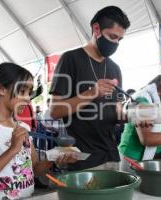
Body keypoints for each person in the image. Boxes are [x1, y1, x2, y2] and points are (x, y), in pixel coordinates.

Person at [0, 63, 77, 199]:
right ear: (2, 89)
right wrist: (12, 150)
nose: (27, 98)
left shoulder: (22, 127)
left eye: (29, 92)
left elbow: (35, 169)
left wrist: (55, 158)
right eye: (22, 92)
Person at [49, 6, 130, 171]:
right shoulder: (70, 59)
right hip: (82, 159)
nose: (115, 43)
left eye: (119, 40)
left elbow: (117, 112)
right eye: (112, 36)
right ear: (96, 29)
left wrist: (134, 117)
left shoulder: (115, 68)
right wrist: (92, 93)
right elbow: (55, 111)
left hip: (112, 155)